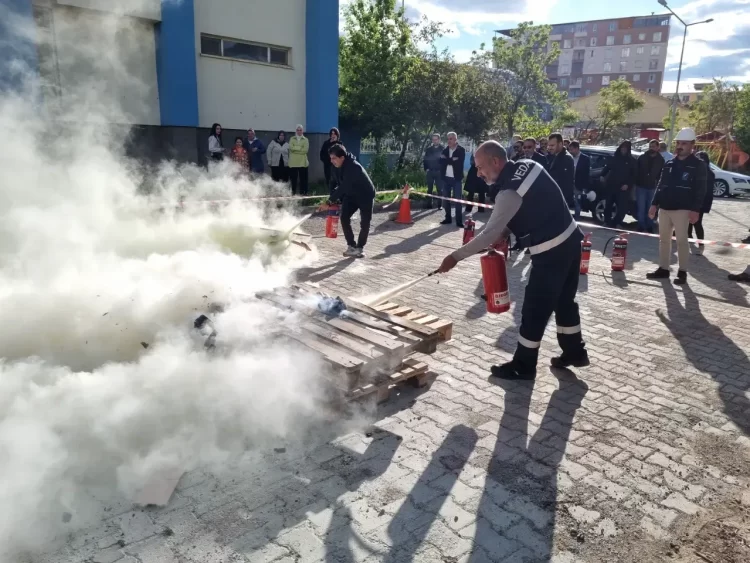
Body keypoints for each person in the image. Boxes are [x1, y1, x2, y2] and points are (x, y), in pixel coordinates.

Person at [436, 141, 588, 380]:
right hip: (571, 241)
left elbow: (488, 235)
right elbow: (535, 204)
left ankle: (523, 366)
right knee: (565, 302)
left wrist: (454, 257)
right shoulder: (529, 165)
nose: (478, 173)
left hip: (550, 251)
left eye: (480, 167)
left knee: (534, 309)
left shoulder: (508, 192)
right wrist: (505, 231)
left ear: (496, 161)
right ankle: (575, 352)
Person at [647, 127, 707, 285]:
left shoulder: (698, 165)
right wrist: (654, 204)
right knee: (664, 240)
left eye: (684, 143)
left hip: (683, 208)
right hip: (665, 208)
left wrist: (696, 210)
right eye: (678, 143)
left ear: (692, 145)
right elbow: (661, 185)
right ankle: (663, 269)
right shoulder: (670, 163)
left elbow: (701, 189)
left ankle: (682, 272)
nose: (680, 146)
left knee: (682, 241)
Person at [328, 144, 375, 258]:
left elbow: (344, 186)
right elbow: (334, 183)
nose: (331, 161)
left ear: (342, 158)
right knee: (344, 217)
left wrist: (329, 202)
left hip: (365, 195)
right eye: (330, 158)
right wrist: (332, 197)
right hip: (351, 195)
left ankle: (360, 247)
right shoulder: (335, 166)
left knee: (365, 223)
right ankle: (351, 246)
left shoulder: (354, 167)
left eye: (334, 158)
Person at [601, 141, 636, 228]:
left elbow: (634, 175)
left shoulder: (632, 161)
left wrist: (628, 184)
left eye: (625, 148)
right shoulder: (615, 158)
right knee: (608, 205)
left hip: (623, 188)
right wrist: (602, 175)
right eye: (622, 148)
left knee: (622, 208)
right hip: (611, 185)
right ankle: (607, 221)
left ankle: (617, 223)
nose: (623, 149)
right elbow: (607, 168)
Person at [635, 139, 665, 233]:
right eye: (650, 146)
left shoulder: (661, 160)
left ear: (657, 147)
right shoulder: (642, 158)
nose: (651, 148)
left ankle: (649, 225)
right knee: (641, 207)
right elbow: (636, 171)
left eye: (653, 146)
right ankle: (641, 225)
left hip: (653, 187)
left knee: (651, 208)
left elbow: (661, 174)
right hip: (641, 186)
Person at [687, 151, 715, 255]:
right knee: (689, 222)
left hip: (699, 202)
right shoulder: (699, 171)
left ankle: (701, 245)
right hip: (694, 201)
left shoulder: (708, 173)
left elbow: (706, 191)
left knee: (696, 223)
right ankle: (691, 241)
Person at [440, 132, 467, 228]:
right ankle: (448, 218)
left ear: (455, 140)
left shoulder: (461, 150)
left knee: (457, 200)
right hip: (446, 178)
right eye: (448, 139)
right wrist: (452, 160)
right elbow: (441, 162)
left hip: (456, 179)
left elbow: (459, 163)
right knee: (446, 199)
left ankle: (459, 221)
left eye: (451, 139)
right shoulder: (444, 150)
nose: (449, 141)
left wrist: (447, 160)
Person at [546, 133, 576, 208]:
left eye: (552, 145)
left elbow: (565, 183)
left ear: (560, 144)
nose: (549, 148)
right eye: (549, 145)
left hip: (560, 200)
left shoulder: (567, 158)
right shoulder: (553, 156)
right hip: (553, 198)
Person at [568, 141, 590, 221]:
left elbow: (586, 174)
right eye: (569, 150)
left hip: (578, 184)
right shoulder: (569, 157)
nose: (570, 151)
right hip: (569, 184)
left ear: (577, 148)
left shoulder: (585, 159)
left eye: (572, 149)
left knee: (577, 202)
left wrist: (585, 187)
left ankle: (576, 219)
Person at [423, 134, 444, 210]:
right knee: (429, 189)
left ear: (439, 140)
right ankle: (429, 204)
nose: (434, 141)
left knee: (440, 189)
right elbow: (425, 160)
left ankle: (439, 205)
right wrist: (426, 169)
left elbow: (445, 161)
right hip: (430, 172)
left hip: (439, 172)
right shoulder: (428, 149)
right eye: (433, 139)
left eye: (436, 139)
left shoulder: (443, 149)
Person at [289, 124, 309, 195]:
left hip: (302, 162)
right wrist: (300, 148)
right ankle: (293, 193)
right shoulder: (292, 139)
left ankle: (303, 193)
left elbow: (305, 150)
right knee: (293, 179)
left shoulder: (306, 139)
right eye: (298, 130)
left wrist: (295, 149)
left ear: (302, 131)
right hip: (293, 162)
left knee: (303, 179)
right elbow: (291, 148)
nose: (299, 131)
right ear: (296, 131)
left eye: (300, 130)